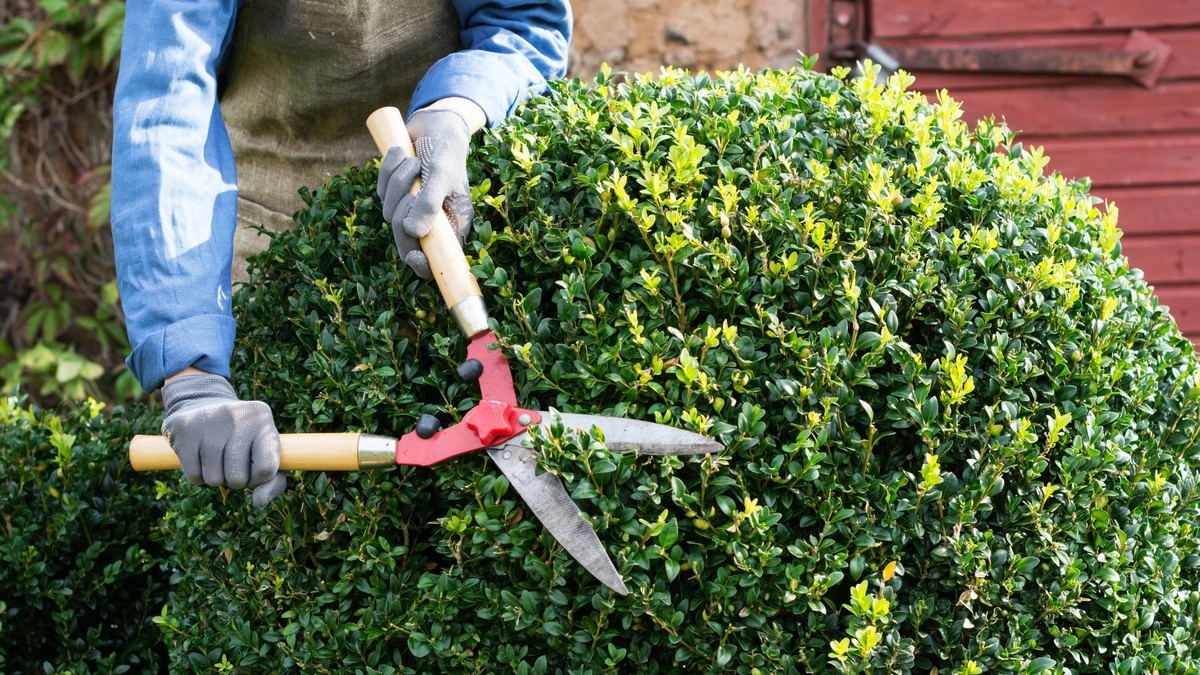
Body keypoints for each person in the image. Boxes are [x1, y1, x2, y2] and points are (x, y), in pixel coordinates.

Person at [111, 1, 571, 507]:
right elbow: (166, 94)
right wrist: (192, 374)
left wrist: (456, 108)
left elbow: (523, 22)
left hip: (443, 195)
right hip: (255, 224)